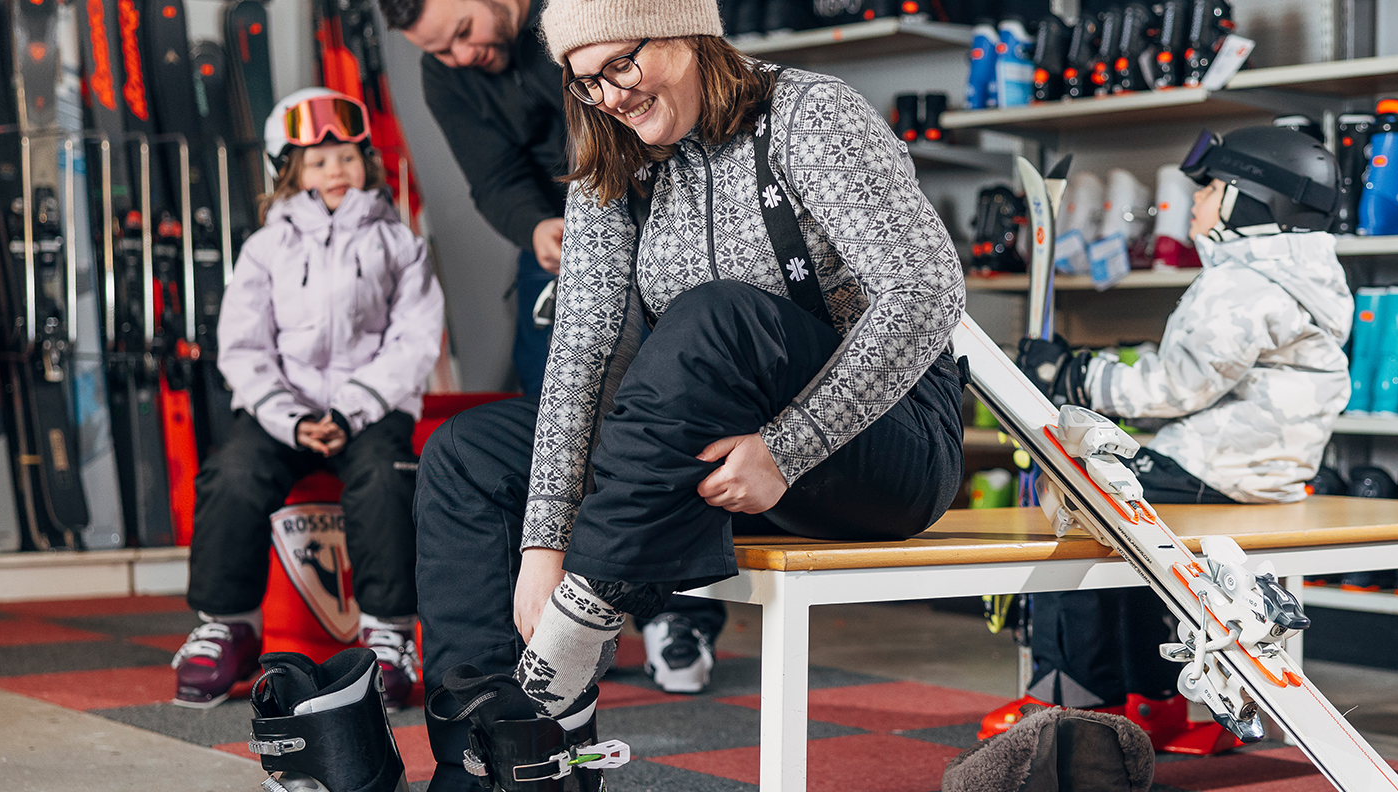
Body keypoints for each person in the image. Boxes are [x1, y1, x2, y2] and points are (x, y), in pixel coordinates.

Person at [410, 0, 968, 786]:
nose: (610, 97)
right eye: (586, 83)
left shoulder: (808, 113)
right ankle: (495, 759)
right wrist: (542, 542)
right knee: (469, 452)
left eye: (621, 66)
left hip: (880, 449)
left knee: (716, 314)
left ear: (683, 28)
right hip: (714, 461)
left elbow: (926, 290)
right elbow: (585, 351)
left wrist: (787, 446)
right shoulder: (613, 155)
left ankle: (566, 648)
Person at [381, 0, 732, 690]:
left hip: (662, 202)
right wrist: (535, 227)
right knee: (554, 417)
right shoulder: (445, 72)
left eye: (460, 34)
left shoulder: (587, 14)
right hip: (556, 233)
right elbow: (492, 178)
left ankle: (679, 609)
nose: (458, 56)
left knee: (689, 404)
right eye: (439, 51)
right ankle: (566, 610)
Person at [1001, 125, 1352, 745]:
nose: (1193, 202)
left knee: (1079, 524)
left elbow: (1170, 391)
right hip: (1258, 471)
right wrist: (1100, 367)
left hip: (1211, 469)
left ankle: (1076, 710)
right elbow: (1208, 373)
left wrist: (1071, 373)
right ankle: (1152, 703)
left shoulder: (1240, 282)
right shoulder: (1300, 277)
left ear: (1251, 200)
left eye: (1212, 187)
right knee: (1138, 553)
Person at [170, 89, 443, 713]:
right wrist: (290, 418)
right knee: (231, 474)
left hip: (369, 409)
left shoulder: (399, 243)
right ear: (289, 171)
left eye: (347, 157)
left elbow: (414, 340)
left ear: (368, 164)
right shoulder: (265, 248)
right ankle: (229, 625)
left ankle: (389, 634)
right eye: (318, 162)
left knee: (385, 478)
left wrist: (349, 410)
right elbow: (242, 346)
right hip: (281, 410)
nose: (335, 171)